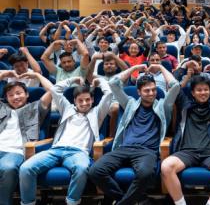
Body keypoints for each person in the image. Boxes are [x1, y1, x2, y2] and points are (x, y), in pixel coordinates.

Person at [89, 63, 180, 205]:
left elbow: (175, 87)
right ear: (139, 92)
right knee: (95, 171)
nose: (151, 93)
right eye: (147, 91)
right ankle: (135, 199)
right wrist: (134, 68)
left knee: (145, 174)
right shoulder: (130, 104)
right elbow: (113, 83)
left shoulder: (163, 106)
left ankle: (122, 202)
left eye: (154, 90)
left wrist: (161, 68)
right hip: (123, 149)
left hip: (147, 151)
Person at [19, 77, 112, 205]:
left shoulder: (97, 113)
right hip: (55, 150)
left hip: (78, 153)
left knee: (82, 167)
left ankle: (72, 202)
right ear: (74, 101)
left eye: (88, 100)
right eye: (80, 100)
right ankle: (28, 203)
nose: (84, 103)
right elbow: (54, 89)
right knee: (25, 168)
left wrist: (99, 81)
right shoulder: (67, 109)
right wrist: (73, 80)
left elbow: (109, 94)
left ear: (92, 100)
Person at [161, 65, 210, 205]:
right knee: (166, 166)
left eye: (206, 89)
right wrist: (183, 68)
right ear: (193, 93)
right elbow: (174, 85)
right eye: (199, 90)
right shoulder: (185, 105)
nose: (203, 93)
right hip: (187, 152)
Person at [0, 71, 52, 205]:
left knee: (8, 168)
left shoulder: (35, 108)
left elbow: (54, 90)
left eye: (19, 93)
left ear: (27, 94)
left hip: (14, 151)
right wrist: (4, 75)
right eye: (10, 95)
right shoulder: (1, 106)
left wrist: (37, 75)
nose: (15, 97)